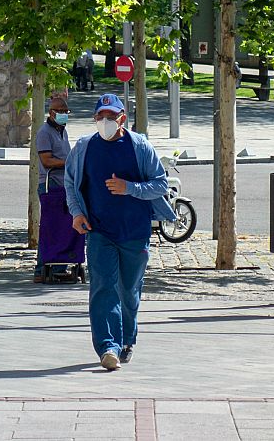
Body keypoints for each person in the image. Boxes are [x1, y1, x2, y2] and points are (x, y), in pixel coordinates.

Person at [64, 93, 175, 371]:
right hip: (99, 231)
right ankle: (107, 347)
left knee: (128, 290)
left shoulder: (140, 147)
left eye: (111, 117)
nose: (105, 122)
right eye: (100, 117)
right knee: (102, 288)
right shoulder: (84, 148)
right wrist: (77, 213)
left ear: (122, 118)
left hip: (135, 232)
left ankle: (127, 339)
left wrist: (130, 188)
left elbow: (161, 184)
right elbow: (70, 183)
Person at [34, 96, 73, 283]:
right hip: (51, 185)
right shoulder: (45, 133)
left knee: (63, 227)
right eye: (61, 111)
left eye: (66, 111)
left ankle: (59, 266)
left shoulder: (62, 131)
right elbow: (46, 160)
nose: (65, 114)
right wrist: (69, 163)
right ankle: (42, 269)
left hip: (63, 184)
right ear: (52, 113)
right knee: (50, 227)